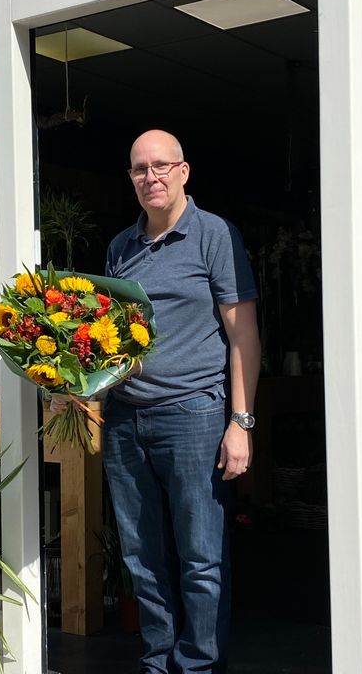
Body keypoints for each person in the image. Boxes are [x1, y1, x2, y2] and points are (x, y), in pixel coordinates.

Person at [101, 129, 259, 673]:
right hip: (125, 420)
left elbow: (244, 337)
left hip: (193, 415)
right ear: (131, 179)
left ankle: (197, 666)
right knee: (142, 559)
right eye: (140, 169)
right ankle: (157, 662)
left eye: (161, 166)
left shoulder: (214, 235)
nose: (152, 177)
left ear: (184, 171)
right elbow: (114, 342)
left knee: (201, 560)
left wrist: (240, 422)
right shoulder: (120, 248)